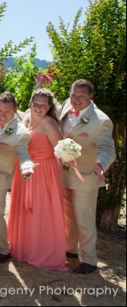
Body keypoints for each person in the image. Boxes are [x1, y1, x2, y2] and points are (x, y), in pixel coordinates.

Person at [37, 77, 115, 274]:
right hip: (62, 174)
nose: (76, 99)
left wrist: (101, 163)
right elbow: (45, 106)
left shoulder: (102, 120)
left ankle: (89, 259)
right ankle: (69, 250)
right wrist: (39, 87)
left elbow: (107, 148)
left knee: (84, 219)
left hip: (86, 176)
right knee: (67, 215)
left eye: (82, 96)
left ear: (91, 96)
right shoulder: (64, 106)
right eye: (74, 95)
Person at [8, 88, 68, 271]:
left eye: (43, 105)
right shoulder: (26, 117)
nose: (38, 107)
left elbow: (60, 150)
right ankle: (24, 248)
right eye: (36, 103)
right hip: (24, 169)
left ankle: (42, 252)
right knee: (24, 209)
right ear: (30, 103)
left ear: (49, 107)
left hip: (43, 172)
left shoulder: (50, 124)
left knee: (40, 209)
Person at [0, 91, 36, 265]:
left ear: (15, 111)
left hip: (0, 176)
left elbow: (23, 153)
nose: (2, 115)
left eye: (7, 112)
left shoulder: (21, 133)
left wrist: (26, 167)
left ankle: (3, 249)